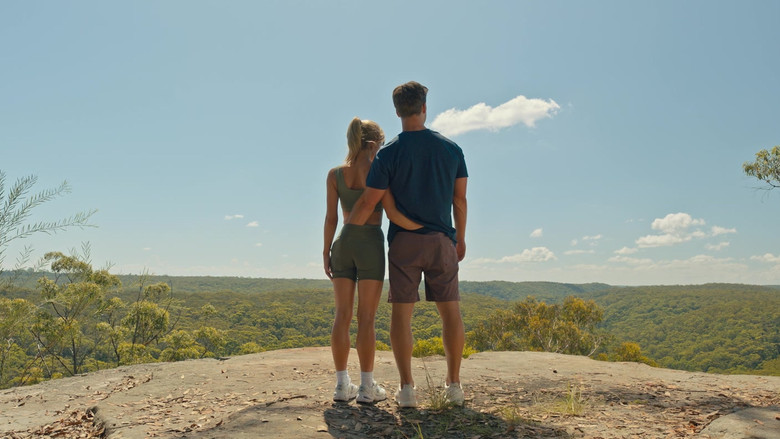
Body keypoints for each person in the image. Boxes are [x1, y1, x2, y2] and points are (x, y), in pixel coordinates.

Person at [347, 81, 468, 408]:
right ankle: (454, 386)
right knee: (451, 313)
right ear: (424, 107)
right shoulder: (452, 150)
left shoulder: (388, 154)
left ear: (397, 111)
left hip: (404, 244)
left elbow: (369, 203)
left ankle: (407, 390)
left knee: (402, 316)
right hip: (442, 239)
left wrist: (344, 236)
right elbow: (460, 200)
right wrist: (461, 237)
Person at [323, 117, 421, 404]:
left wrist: (326, 250)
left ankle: (342, 385)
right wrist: (420, 227)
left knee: (341, 315)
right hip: (369, 243)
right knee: (366, 318)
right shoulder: (379, 170)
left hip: (342, 242)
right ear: (373, 143)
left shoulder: (335, 175)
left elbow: (331, 218)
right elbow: (391, 212)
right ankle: (367, 387)